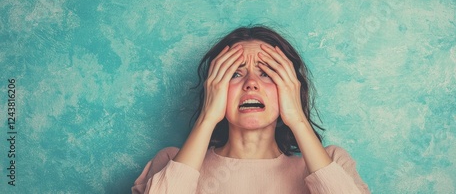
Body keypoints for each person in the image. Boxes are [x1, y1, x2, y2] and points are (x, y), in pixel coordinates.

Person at [132, 26, 370, 194]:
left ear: (290, 88)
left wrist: (298, 119)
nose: (251, 83)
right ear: (215, 88)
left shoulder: (331, 163)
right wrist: (207, 118)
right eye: (235, 73)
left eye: (266, 72)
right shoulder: (170, 161)